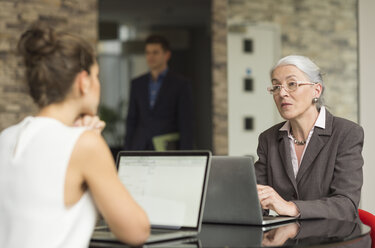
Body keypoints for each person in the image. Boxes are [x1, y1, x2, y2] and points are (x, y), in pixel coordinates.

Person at [0, 23, 150, 247]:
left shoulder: (7, 137)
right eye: (97, 76)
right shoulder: (85, 145)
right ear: (84, 81)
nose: (99, 84)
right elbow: (136, 231)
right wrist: (91, 141)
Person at [255, 55, 364, 221]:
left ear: (316, 90)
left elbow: (346, 205)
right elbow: (254, 198)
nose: (282, 93)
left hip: (334, 240)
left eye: (292, 84)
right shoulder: (268, 138)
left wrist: (291, 207)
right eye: (276, 87)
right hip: (287, 239)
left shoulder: (347, 133)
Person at [124, 34, 193, 150]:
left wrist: (186, 154)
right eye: (148, 52)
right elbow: (131, 119)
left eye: (155, 52)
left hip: (168, 147)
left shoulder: (181, 84)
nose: (150, 57)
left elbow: (186, 122)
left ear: (167, 55)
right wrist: (127, 151)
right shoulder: (137, 84)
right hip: (140, 147)